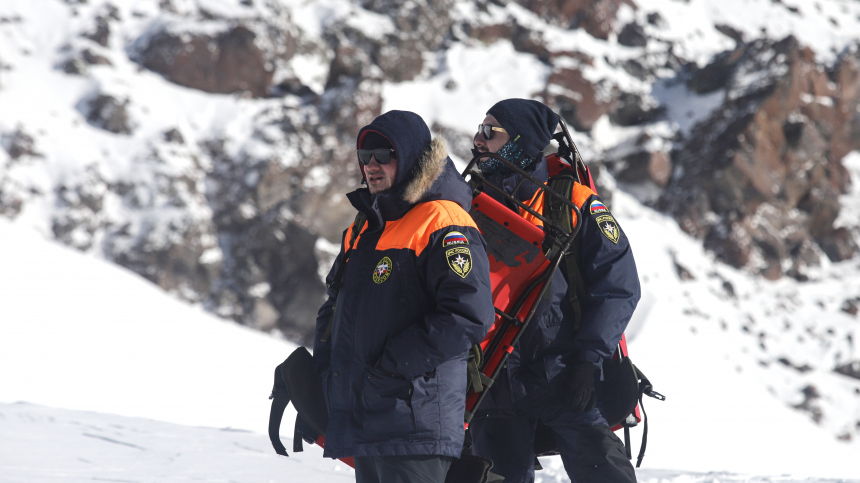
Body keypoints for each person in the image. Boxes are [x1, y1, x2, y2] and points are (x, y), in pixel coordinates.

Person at [312, 110, 495, 483]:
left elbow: (469, 314)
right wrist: (323, 384)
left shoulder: (443, 220)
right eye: (365, 156)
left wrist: (390, 368)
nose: (372, 165)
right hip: (370, 421)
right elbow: (335, 309)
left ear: (410, 156)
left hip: (414, 424)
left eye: (384, 154)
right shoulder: (366, 226)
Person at [468, 98, 641, 483]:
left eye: (489, 132)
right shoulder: (466, 204)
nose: (477, 141)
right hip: (492, 382)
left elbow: (619, 285)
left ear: (520, 141)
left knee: (605, 471)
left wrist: (587, 362)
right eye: (479, 131)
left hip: (562, 374)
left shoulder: (572, 202)